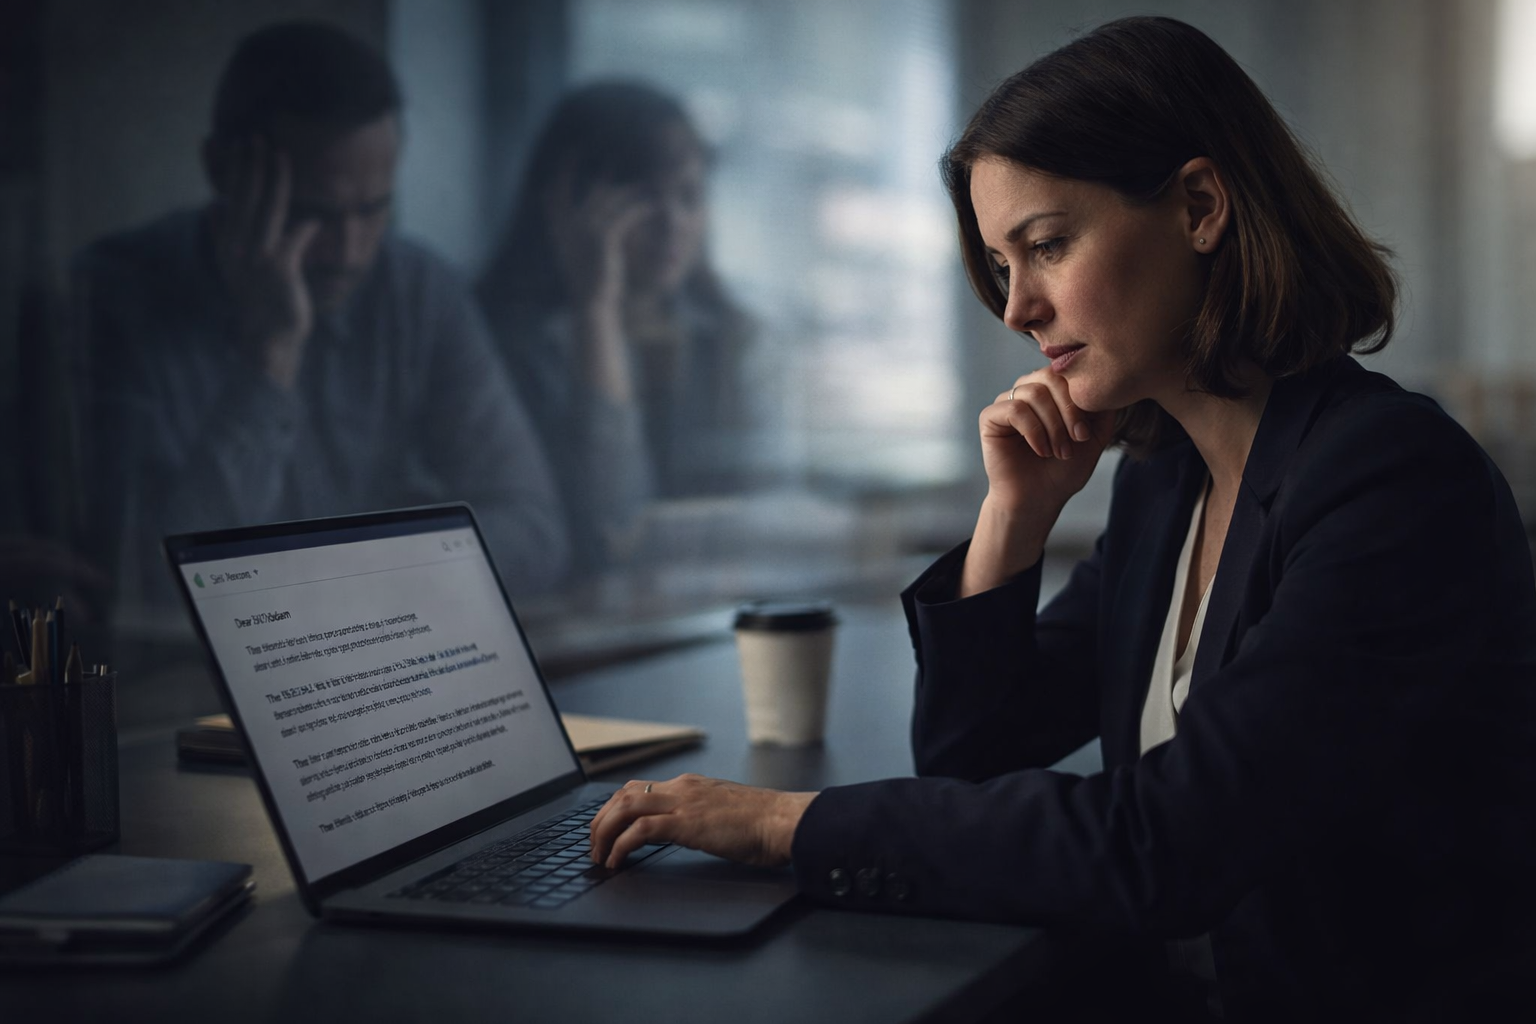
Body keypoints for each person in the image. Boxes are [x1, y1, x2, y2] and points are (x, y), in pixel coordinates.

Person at [585, 17, 1536, 1020]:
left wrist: (788, 824)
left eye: (1045, 245)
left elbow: (1166, 842)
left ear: (1201, 207)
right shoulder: (1167, 482)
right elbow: (973, 755)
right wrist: (1016, 519)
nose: (1015, 309)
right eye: (1002, 265)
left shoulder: (1390, 478)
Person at [72, 21, 568, 610]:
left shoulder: (418, 290)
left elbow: (536, 532)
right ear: (220, 170)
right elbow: (150, 587)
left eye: (373, 209)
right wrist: (270, 354)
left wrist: (345, 586)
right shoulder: (119, 291)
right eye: (311, 214)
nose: (348, 251)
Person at [476, 81, 759, 574]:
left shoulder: (733, 338)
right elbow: (608, 534)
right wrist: (596, 310)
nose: (672, 223)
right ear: (566, 203)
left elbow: (758, 529)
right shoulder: (504, 343)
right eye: (643, 199)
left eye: (690, 197)